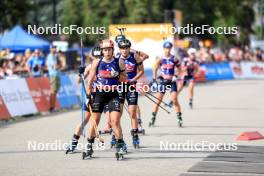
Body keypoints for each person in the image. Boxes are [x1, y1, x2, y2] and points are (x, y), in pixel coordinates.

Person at [84, 39, 127, 158]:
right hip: (99, 95)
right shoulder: (97, 62)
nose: (107, 52)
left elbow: (125, 79)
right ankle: (89, 145)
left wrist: (117, 75)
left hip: (113, 95)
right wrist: (88, 96)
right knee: (95, 122)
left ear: (113, 50)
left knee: (115, 122)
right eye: (104, 50)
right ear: (102, 51)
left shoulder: (119, 62)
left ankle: (120, 145)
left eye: (109, 49)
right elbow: (90, 80)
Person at [66, 46, 101, 154]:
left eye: (99, 56)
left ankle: (115, 138)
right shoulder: (89, 67)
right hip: (91, 97)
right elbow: (78, 81)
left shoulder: (105, 66)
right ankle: (73, 143)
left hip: (103, 96)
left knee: (107, 120)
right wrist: (80, 73)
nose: (97, 58)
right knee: (85, 121)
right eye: (96, 56)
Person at [116, 38, 145, 148]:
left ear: (129, 48)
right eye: (122, 48)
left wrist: (133, 80)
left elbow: (141, 71)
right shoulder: (116, 58)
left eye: (126, 48)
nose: (125, 50)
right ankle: (117, 136)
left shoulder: (134, 56)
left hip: (131, 86)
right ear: (119, 49)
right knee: (118, 113)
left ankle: (135, 136)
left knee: (132, 112)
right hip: (120, 87)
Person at [149, 41, 183, 127]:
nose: (167, 50)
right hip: (163, 82)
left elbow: (180, 69)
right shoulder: (160, 59)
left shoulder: (174, 58)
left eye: (169, 48)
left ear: (171, 49)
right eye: (166, 48)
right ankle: (153, 117)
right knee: (158, 101)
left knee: (174, 99)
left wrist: (176, 75)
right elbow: (155, 68)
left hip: (172, 82)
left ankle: (179, 117)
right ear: (164, 48)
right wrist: (154, 79)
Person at [46, 45, 63, 112]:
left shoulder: (55, 56)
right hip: (53, 75)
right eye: (53, 48)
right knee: (53, 91)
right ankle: (51, 107)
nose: (55, 49)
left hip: (57, 75)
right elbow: (56, 66)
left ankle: (53, 107)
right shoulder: (50, 56)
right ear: (50, 49)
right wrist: (60, 65)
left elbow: (59, 65)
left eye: (55, 48)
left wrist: (60, 65)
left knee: (55, 92)